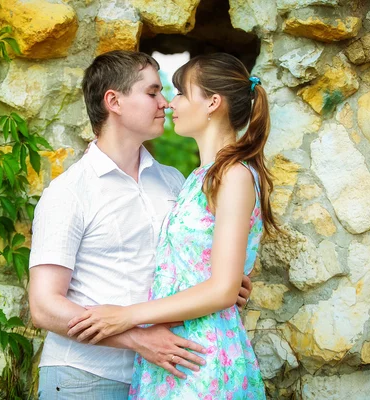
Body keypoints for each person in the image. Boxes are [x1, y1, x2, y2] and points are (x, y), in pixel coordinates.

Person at [28, 50, 253, 399]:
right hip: (86, 376)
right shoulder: (69, 192)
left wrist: (225, 283)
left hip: (161, 377)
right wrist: (136, 336)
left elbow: (190, 260)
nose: (164, 103)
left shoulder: (176, 181)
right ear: (114, 101)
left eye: (167, 93)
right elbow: (44, 306)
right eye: (152, 93)